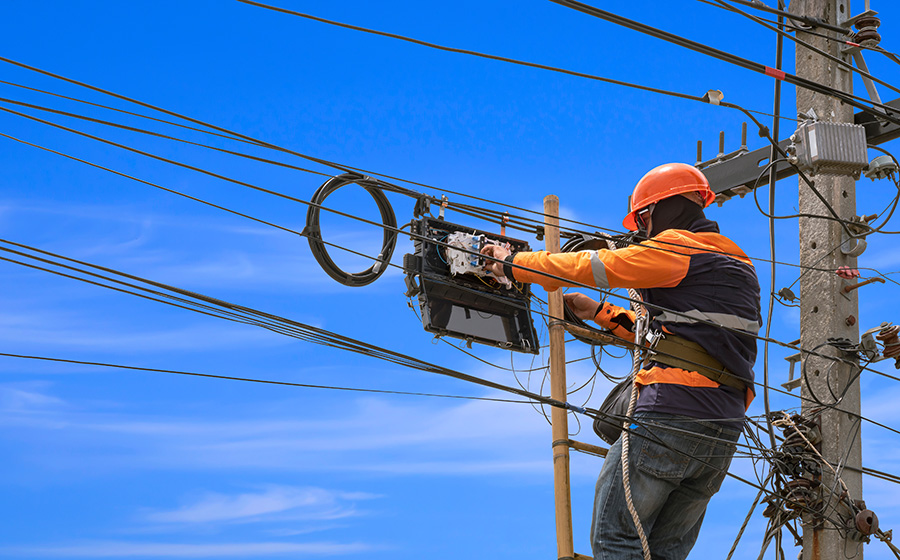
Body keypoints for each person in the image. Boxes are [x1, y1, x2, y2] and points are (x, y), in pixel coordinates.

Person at [481, 162, 761, 560]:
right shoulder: (737, 263)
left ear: (664, 208)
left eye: (645, 217)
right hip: (722, 429)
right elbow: (681, 340)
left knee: (616, 539)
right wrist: (597, 312)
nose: (644, 229)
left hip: (672, 412)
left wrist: (515, 264)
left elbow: (595, 265)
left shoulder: (679, 247)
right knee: (663, 553)